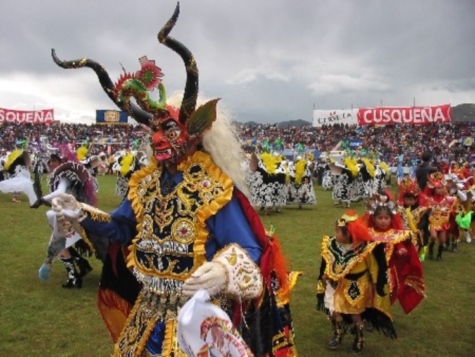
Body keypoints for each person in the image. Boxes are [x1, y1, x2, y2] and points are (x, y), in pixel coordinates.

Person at [48, 4, 297, 356]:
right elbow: (121, 227)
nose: (157, 138)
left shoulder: (212, 185)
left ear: (196, 131)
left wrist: (224, 271)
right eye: (153, 129)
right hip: (146, 312)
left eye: (168, 128)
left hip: (196, 318)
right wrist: (80, 211)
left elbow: (250, 249)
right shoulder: (145, 183)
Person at [316, 210, 395, 353]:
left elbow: (374, 267)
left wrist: (376, 285)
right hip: (337, 284)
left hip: (357, 286)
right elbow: (331, 262)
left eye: (338, 231)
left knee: (355, 315)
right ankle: (338, 334)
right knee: (334, 311)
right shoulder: (333, 244)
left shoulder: (364, 248)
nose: (335, 234)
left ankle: (359, 339)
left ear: (348, 234)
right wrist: (326, 275)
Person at [31, 152, 106, 288]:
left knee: (59, 243)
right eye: (50, 161)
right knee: (63, 242)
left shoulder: (66, 174)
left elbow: (60, 192)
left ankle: (74, 277)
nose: (52, 163)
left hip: (73, 215)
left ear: (62, 160)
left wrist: (41, 200)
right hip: (76, 214)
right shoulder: (70, 173)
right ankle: (82, 266)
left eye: (55, 160)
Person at [362, 191, 425, 314]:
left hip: (389, 269)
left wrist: (402, 250)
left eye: (386, 218)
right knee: (370, 290)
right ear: (374, 219)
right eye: (380, 218)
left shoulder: (396, 234)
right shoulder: (368, 233)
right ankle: (371, 312)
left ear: (392, 219)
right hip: (371, 268)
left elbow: (400, 245)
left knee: (389, 291)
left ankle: (382, 311)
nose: (383, 221)